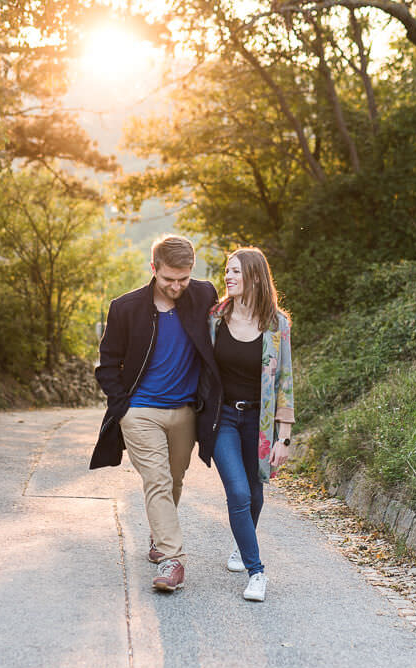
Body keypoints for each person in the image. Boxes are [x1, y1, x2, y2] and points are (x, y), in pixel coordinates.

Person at [90, 235, 222, 593]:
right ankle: (171, 560)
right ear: (153, 269)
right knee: (158, 480)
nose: (177, 286)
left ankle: (158, 536)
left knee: (175, 480)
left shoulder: (204, 294)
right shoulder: (126, 308)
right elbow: (106, 365)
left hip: (184, 411)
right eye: (169, 279)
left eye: (184, 278)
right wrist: (123, 405)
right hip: (141, 411)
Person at [208, 246, 294, 603]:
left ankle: (241, 544)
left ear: (255, 276)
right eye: (227, 271)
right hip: (222, 417)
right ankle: (256, 570)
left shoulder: (277, 324)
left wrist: (283, 438)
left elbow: (285, 380)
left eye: (235, 272)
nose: (228, 277)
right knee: (238, 492)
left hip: (258, 423)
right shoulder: (214, 318)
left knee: (255, 493)